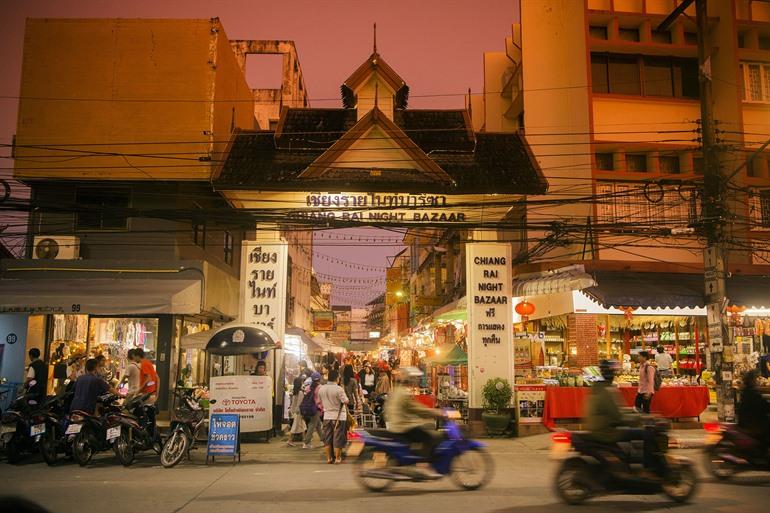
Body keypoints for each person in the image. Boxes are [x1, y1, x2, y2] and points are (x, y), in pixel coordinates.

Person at [585, 359, 660, 476]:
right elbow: (618, 416)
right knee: (645, 434)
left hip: (602, 428)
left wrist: (633, 413)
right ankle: (648, 468)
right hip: (607, 432)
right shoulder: (606, 391)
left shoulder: (598, 388)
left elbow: (616, 411)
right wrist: (638, 419)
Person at [384, 366, 444, 469]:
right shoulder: (403, 393)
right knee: (429, 437)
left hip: (395, 424)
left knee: (421, 431)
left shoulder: (395, 391)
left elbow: (411, 408)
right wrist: (434, 412)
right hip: (402, 426)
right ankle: (425, 462)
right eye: (412, 379)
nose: (414, 382)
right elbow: (416, 408)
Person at [317, 369, 349, 464]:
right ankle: (338, 458)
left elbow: (319, 402)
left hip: (327, 416)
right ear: (337, 378)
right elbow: (346, 401)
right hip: (339, 417)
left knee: (327, 438)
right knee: (338, 438)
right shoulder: (339, 389)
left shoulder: (321, 388)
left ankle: (328, 458)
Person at [737, 370, 770, 453]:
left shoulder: (746, 392)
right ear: (752, 381)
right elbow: (764, 405)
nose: (757, 381)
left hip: (748, 422)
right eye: (755, 379)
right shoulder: (752, 393)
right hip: (753, 424)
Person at [132, 348, 159, 441]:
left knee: (139, 414)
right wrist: (157, 394)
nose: (134, 358)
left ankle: (144, 436)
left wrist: (139, 390)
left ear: (137, 356)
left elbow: (148, 379)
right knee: (150, 417)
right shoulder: (149, 363)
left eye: (134, 356)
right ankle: (150, 436)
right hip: (151, 395)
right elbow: (157, 378)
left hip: (147, 395)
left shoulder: (143, 364)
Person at [301, 372, 324, 449]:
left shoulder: (308, 387)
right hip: (316, 408)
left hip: (309, 408)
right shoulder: (320, 387)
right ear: (319, 379)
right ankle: (306, 442)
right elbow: (321, 399)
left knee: (317, 424)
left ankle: (323, 440)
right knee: (312, 425)